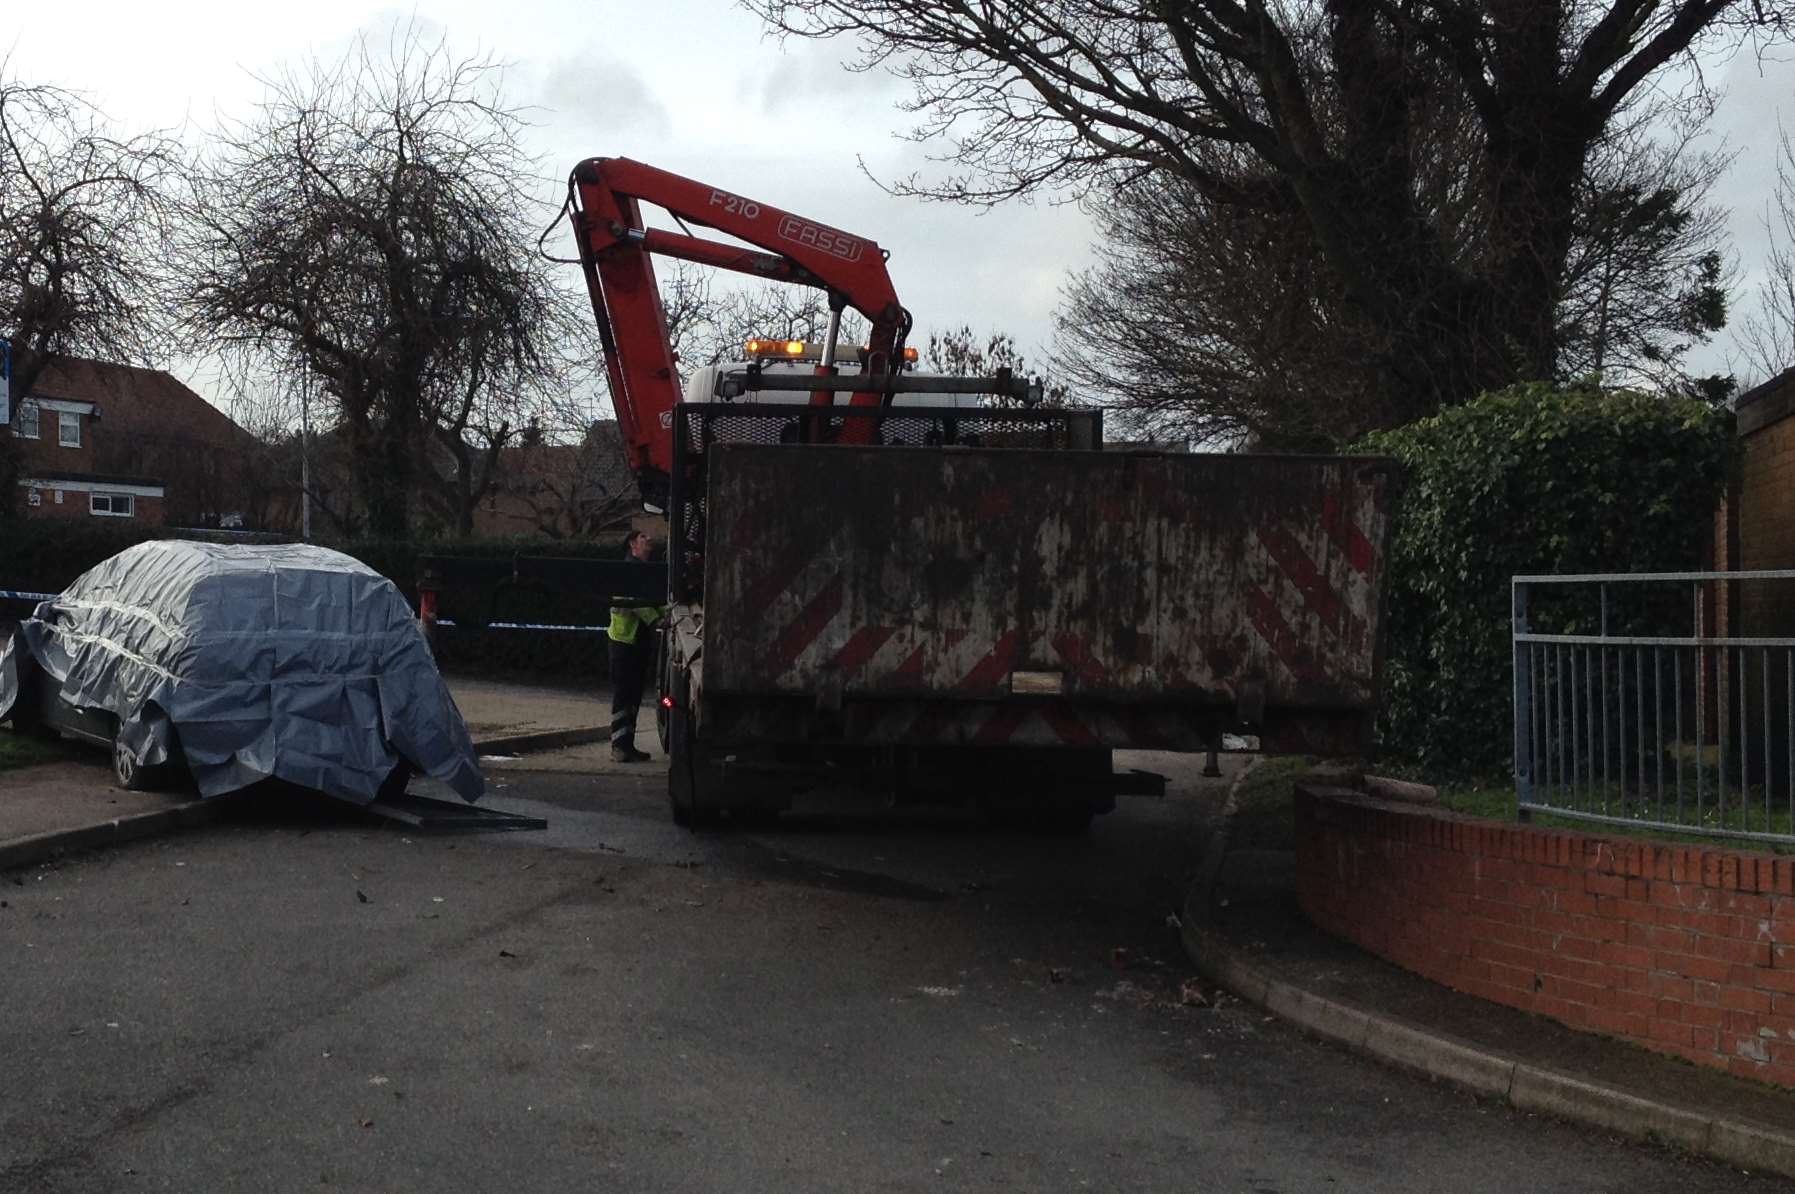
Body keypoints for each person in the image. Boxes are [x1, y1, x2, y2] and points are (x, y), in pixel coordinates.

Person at [607, 529, 663, 763]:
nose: (649, 540)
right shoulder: (629, 570)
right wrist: (658, 619)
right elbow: (635, 602)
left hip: (635, 642)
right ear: (632, 544)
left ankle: (627, 746)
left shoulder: (641, 571)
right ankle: (619, 746)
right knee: (624, 695)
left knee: (633, 697)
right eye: (643, 537)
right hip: (624, 642)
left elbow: (651, 600)